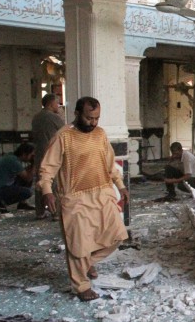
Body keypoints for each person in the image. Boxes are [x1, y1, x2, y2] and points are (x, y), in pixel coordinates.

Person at [38, 96, 129, 302]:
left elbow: (110, 164)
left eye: (96, 118)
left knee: (117, 235)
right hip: (74, 198)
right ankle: (81, 286)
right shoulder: (63, 136)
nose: (93, 123)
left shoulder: (100, 134)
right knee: (78, 245)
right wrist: (47, 190)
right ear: (77, 114)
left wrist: (120, 186)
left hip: (102, 193)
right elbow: (48, 167)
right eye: (89, 118)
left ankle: (87, 262)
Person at [31, 93, 65, 219]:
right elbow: (66, 131)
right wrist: (61, 116)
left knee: (41, 182)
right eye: (57, 103)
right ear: (51, 103)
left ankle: (39, 212)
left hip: (39, 153)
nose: (59, 105)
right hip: (52, 153)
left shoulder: (36, 117)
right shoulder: (53, 117)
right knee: (54, 183)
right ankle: (55, 212)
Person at [0, 142, 36, 213]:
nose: (32, 158)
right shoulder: (13, 161)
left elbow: (25, 174)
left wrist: (31, 166)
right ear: (24, 154)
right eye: (32, 155)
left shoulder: (11, 156)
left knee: (26, 180)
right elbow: (28, 177)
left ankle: (22, 204)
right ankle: (2, 202)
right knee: (28, 192)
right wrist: (35, 163)